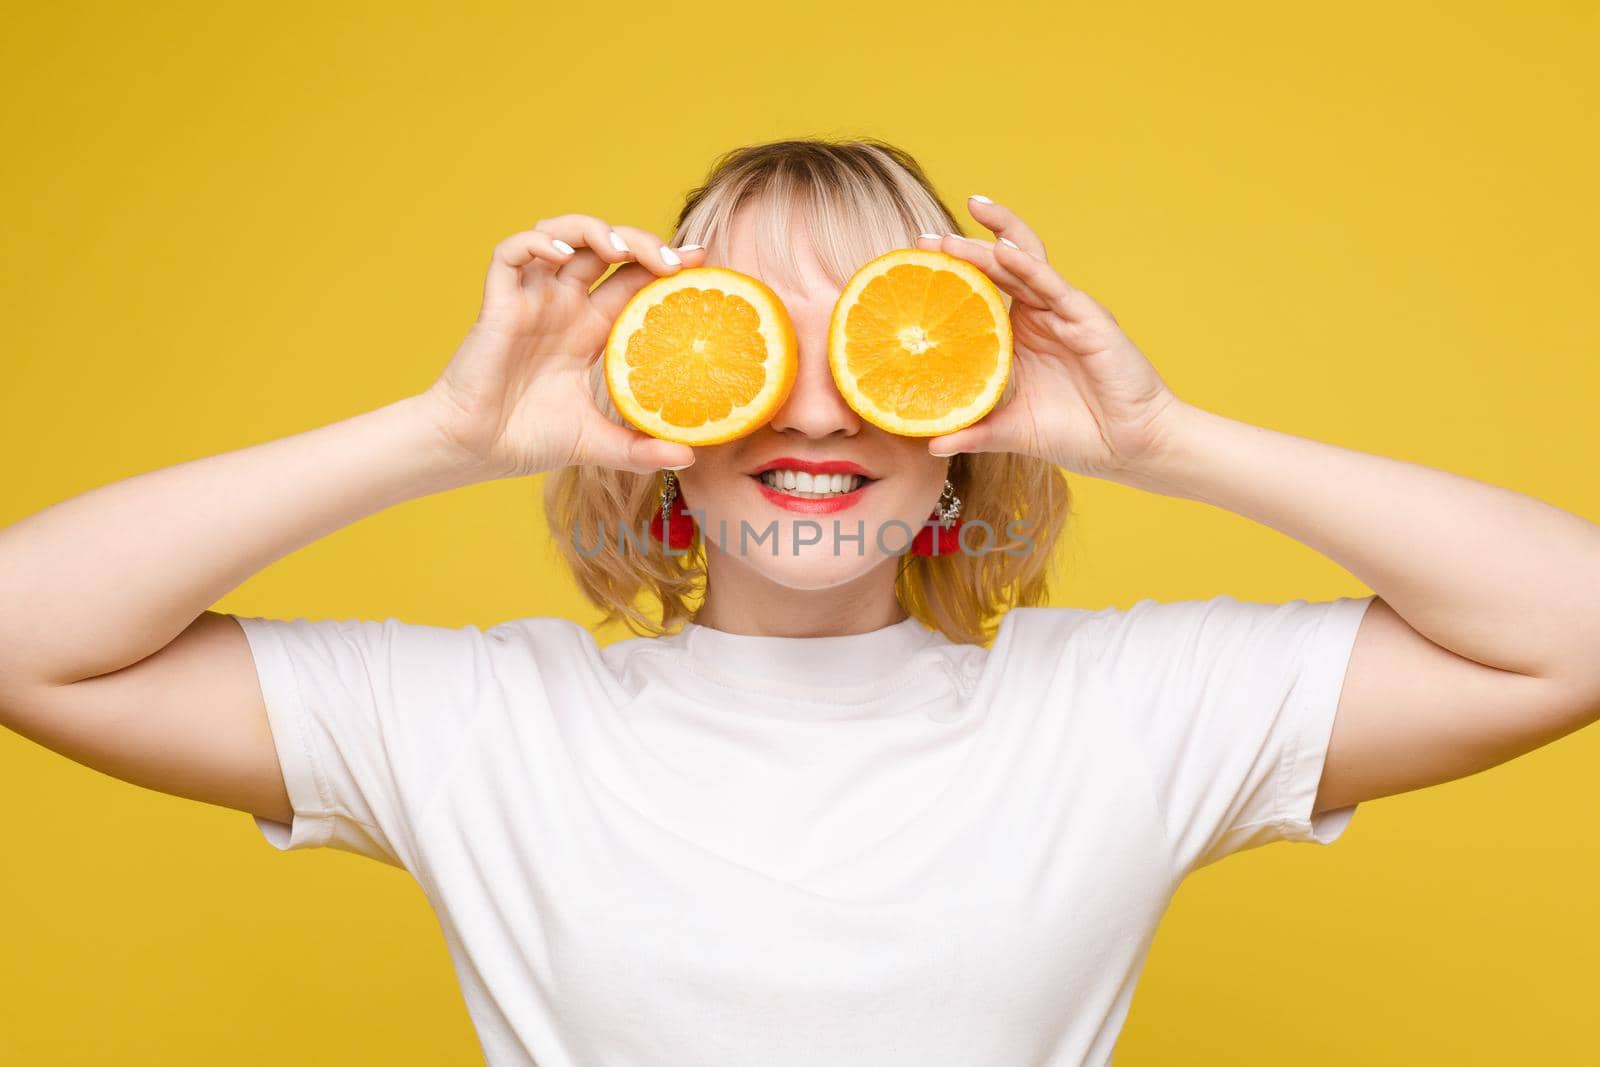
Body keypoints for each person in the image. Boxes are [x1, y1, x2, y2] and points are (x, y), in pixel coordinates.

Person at [2, 137, 1597, 1067]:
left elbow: (1574, 626)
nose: (820, 416)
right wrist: (449, 432)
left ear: (973, 414)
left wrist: (1159, 438)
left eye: (888, 350)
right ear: (654, 401)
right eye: (746, 344)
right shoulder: (482, 723)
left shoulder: (1123, 711)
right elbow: (27, 634)